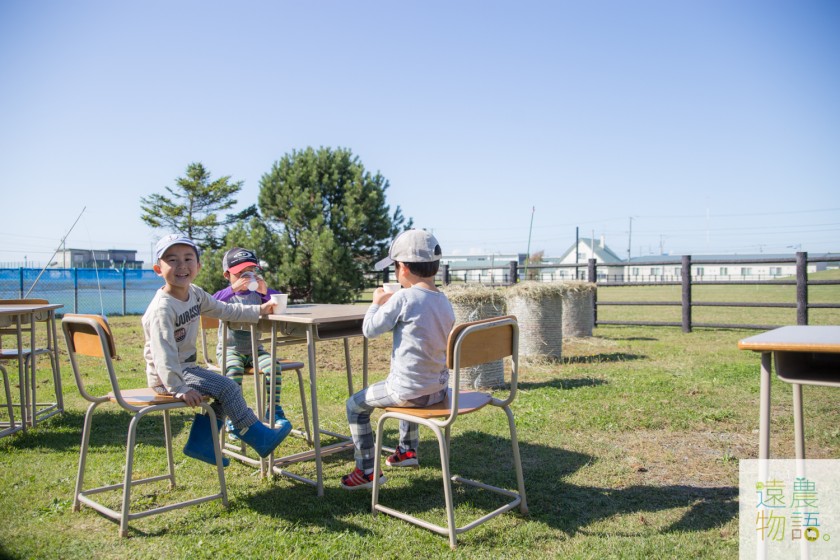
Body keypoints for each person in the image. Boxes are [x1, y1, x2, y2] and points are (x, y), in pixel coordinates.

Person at [142, 234, 292, 467]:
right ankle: (255, 434)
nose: (182, 265)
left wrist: (260, 309)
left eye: (188, 259)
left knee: (225, 388)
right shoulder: (163, 308)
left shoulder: (195, 294)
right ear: (158, 269)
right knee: (227, 386)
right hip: (168, 376)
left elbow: (226, 310)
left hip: (185, 369)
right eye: (172, 260)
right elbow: (163, 354)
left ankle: (201, 442)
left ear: (198, 266)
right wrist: (178, 388)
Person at [341, 229, 455, 490]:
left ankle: (367, 470)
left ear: (402, 268)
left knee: (355, 406)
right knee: (411, 380)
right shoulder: (444, 300)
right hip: (438, 391)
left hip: (409, 391)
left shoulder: (403, 297)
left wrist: (376, 303)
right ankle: (406, 451)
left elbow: (370, 329)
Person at [212, 247, 291, 441]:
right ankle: (234, 416)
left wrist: (266, 292)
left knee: (273, 366)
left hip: (255, 350)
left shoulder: (259, 296)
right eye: (240, 274)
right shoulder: (227, 296)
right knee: (233, 371)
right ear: (227, 275)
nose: (247, 277)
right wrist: (234, 288)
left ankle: (274, 411)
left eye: (251, 272)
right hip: (230, 350)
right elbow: (212, 303)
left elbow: (279, 303)